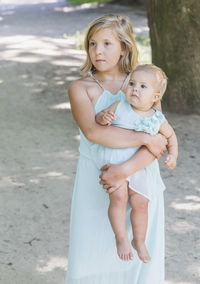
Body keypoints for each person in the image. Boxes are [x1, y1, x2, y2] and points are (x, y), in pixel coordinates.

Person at [66, 14, 168, 284]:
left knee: (140, 257)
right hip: (96, 180)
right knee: (90, 253)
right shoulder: (81, 88)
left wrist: (123, 170)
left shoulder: (142, 85)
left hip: (140, 177)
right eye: (92, 43)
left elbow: (158, 141)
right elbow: (94, 132)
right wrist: (143, 138)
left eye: (107, 44)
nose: (97, 51)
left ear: (124, 47)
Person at [93, 64, 178, 264]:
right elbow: (98, 120)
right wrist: (103, 117)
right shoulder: (120, 105)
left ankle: (139, 240)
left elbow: (171, 136)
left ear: (155, 97)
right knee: (119, 198)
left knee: (141, 202)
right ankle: (121, 237)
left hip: (140, 167)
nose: (135, 89)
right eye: (132, 83)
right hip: (116, 164)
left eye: (142, 86)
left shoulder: (157, 118)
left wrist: (173, 155)